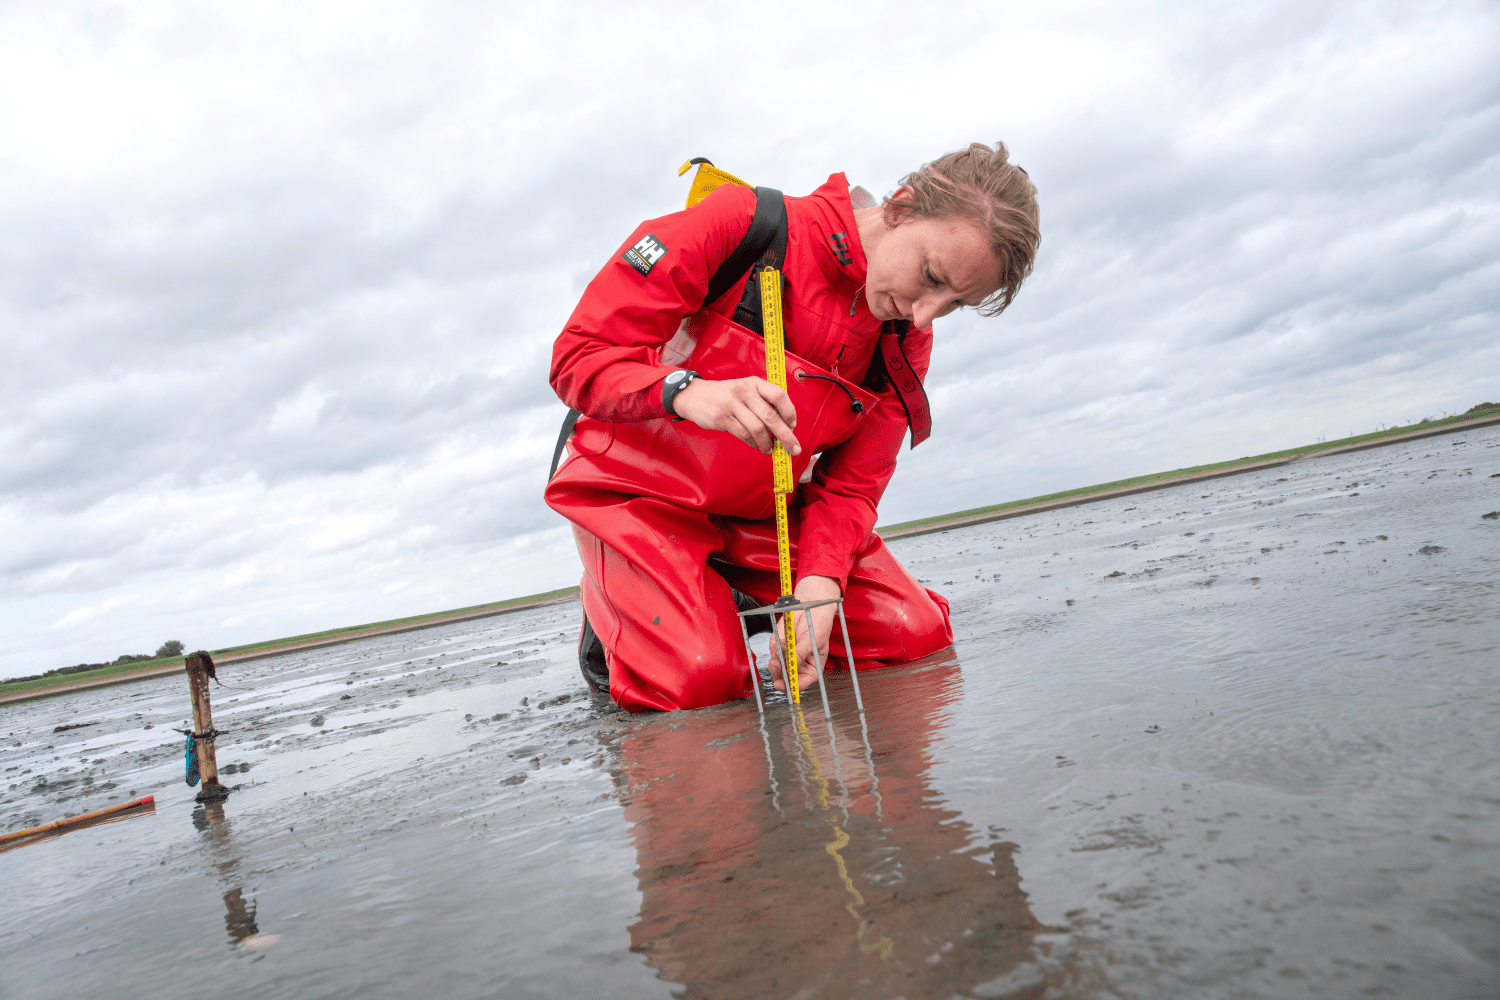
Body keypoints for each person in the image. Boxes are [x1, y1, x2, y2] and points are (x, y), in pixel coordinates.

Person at [546, 142, 1040, 712]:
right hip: (637, 495)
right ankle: (624, 617)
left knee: (913, 633)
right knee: (702, 678)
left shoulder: (907, 339)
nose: (926, 314)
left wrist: (821, 585)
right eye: (931, 276)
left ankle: (724, 601)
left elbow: (853, 485)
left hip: (761, 513)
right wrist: (688, 391)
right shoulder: (740, 224)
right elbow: (577, 356)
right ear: (900, 208)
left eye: (955, 303)